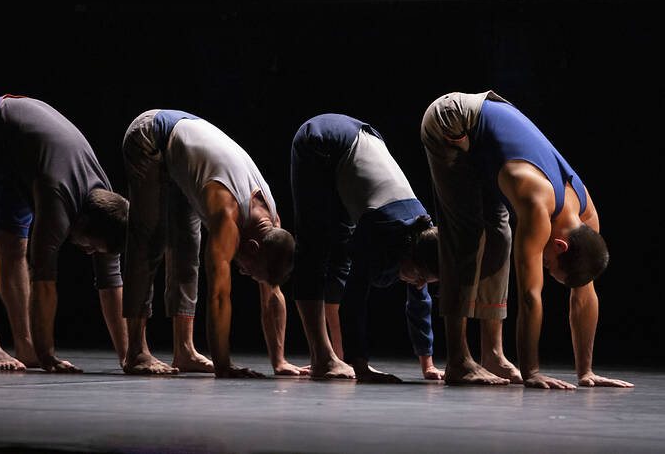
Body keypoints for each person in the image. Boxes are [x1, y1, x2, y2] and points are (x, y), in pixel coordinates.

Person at [421, 91, 633, 388]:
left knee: (500, 236)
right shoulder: (536, 204)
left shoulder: (587, 219)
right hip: (452, 119)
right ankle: (458, 361)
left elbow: (584, 294)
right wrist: (531, 372)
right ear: (560, 245)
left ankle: (493, 355)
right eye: (549, 265)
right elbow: (531, 296)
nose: (544, 265)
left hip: (485, 143)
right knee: (467, 236)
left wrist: (585, 372)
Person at [0, 95, 129, 372]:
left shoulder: (107, 205)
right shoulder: (56, 202)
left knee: (14, 247)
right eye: (90, 246)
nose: (89, 252)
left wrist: (129, 356)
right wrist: (48, 358)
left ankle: (25, 345)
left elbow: (111, 282)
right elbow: (43, 281)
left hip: (24, 153)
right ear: (80, 221)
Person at [121, 109, 305, 378]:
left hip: (187, 152)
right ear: (252, 247)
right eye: (249, 271)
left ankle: (184, 351)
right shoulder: (226, 213)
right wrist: (223, 365)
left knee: (187, 249)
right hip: (150, 136)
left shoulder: (272, 225)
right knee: (149, 241)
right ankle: (136, 352)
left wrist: (279, 362)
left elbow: (272, 292)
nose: (242, 272)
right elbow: (219, 296)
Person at [291, 113, 443, 382]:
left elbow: (420, 302)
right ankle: (323, 358)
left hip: (364, 140)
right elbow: (355, 296)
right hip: (322, 140)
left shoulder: (423, 235)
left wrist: (428, 365)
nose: (420, 284)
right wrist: (361, 367)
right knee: (315, 249)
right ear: (410, 253)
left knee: (341, 258)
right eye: (420, 276)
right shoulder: (381, 226)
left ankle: (338, 357)